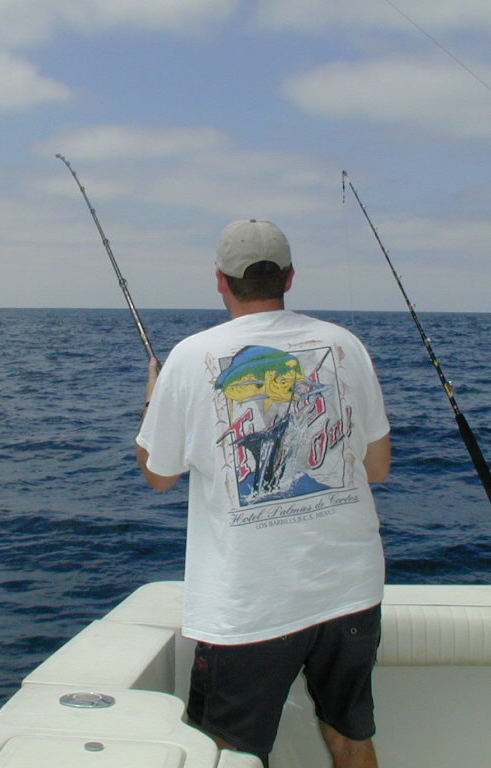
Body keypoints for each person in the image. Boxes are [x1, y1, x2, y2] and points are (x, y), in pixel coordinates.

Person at [135, 219, 391, 768]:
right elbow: (379, 467)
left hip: (251, 605)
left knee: (230, 754)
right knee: (349, 737)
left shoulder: (188, 358)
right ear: (289, 277)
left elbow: (159, 476)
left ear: (220, 280)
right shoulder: (346, 345)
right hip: (351, 591)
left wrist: (153, 400)